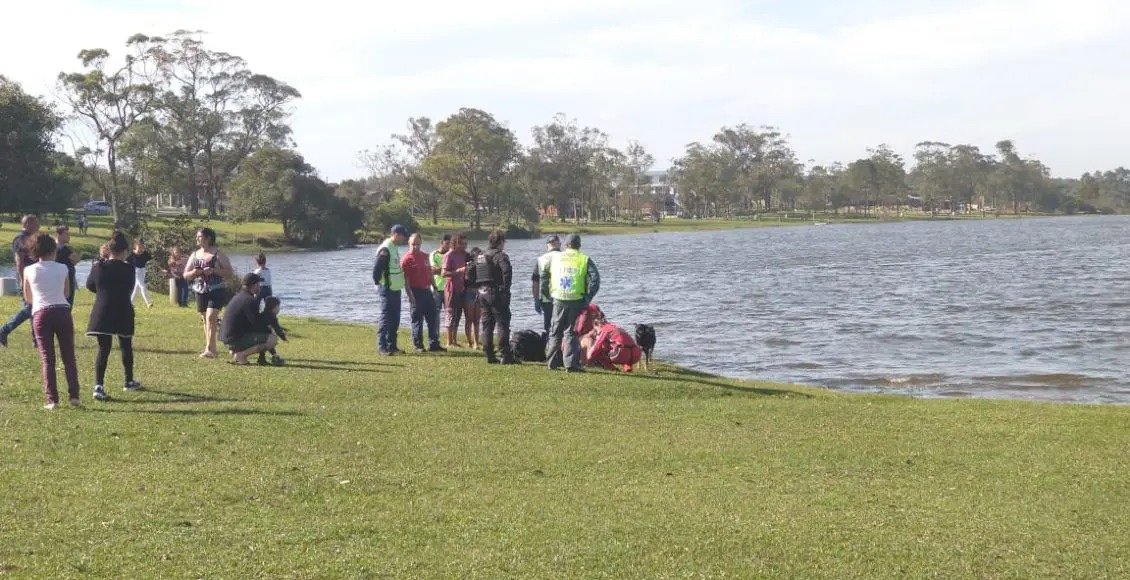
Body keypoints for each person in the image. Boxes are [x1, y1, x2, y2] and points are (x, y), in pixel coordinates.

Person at [23, 233, 81, 409]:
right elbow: (66, 293)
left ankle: (52, 399)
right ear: (53, 250)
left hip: (41, 313)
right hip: (62, 311)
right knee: (68, 356)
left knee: (48, 358)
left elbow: (28, 297)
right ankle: (74, 396)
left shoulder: (28, 270)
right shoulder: (62, 268)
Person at [86, 232, 141, 400]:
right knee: (126, 345)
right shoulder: (129, 269)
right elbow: (130, 287)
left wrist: (102, 291)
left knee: (104, 348)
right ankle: (128, 380)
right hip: (123, 309)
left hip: (102, 310)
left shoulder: (98, 267)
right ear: (124, 251)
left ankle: (98, 385)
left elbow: (89, 285)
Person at [542, 234, 601, 372]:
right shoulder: (584, 259)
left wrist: (547, 294)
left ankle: (551, 362)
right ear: (579, 245)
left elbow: (544, 276)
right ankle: (570, 364)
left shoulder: (555, 257)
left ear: (566, 245)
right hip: (576, 299)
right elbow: (595, 280)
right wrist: (588, 297)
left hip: (558, 298)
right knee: (570, 332)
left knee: (555, 331)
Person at [468, 229, 516, 364]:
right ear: (500, 242)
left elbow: (470, 272)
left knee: (487, 324)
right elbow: (506, 271)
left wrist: (476, 286)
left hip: (482, 293)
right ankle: (505, 355)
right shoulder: (501, 256)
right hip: (496, 293)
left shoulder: (480, 255)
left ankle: (489, 354)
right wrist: (505, 290)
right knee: (502, 323)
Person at [184, 227, 233, 358]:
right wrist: (194, 272)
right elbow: (185, 275)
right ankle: (211, 348)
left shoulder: (218, 254)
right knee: (205, 319)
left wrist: (213, 271)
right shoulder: (194, 255)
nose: (197, 239)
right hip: (200, 290)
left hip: (217, 289)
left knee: (211, 317)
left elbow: (229, 272)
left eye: (199, 237)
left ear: (208, 238)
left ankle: (209, 349)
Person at [400, 233, 445, 353]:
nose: (416, 247)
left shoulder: (425, 256)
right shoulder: (406, 259)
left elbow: (429, 273)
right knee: (417, 320)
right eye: (413, 244)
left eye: (418, 244)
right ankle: (418, 345)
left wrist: (434, 286)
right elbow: (406, 281)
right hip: (415, 291)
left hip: (427, 291)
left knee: (432, 318)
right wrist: (410, 296)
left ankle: (434, 344)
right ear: (409, 244)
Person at [219, 272, 278, 365]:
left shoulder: (238, 296)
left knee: (265, 332)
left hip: (227, 339)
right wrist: (270, 319)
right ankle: (241, 355)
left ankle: (236, 351)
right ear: (254, 285)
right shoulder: (249, 300)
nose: (260, 287)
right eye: (258, 284)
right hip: (234, 340)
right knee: (272, 339)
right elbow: (255, 324)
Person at [0, 215, 40, 349]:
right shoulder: (20, 239)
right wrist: (23, 280)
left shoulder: (33, 238)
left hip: (35, 277)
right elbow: (19, 261)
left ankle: (36, 339)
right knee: (30, 307)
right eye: (36, 223)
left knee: (35, 308)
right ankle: (4, 330)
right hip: (26, 277)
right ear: (28, 224)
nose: (38, 225)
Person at [372, 224, 408, 355]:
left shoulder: (394, 247)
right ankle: (382, 347)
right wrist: (376, 283)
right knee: (386, 318)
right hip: (387, 288)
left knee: (395, 319)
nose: (404, 239)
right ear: (396, 234)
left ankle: (392, 345)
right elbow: (377, 269)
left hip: (395, 289)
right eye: (403, 236)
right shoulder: (386, 248)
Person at [441, 232, 470, 348]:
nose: (464, 246)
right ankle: (449, 341)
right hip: (451, 288)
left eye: (465, 243)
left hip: (461, 288)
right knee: (450, 313)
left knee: (458, 314)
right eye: (461, 243)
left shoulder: (464, 255)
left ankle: (454, 339)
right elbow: (444, 273)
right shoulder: (449, 255)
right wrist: (459, 271)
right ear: (455, 243)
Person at [532, 234, 561, 334]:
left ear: (547, 246)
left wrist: (536, 300)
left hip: (546, 298)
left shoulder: (540, 259)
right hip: (564, 297)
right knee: (564, 326)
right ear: (559, 244)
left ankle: (550, 346)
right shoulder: (566, 258)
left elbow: (535, 282)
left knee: (548, 326)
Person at [255, 296, 287, 366]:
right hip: (257, 338)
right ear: (274, 307)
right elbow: (277, 329)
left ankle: (268, 357)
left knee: (268, 336)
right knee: (271, 338)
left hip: (255, 335)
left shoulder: (263, 314)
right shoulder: (272, 316)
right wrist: (283, 337)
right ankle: (268, 357)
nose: (279, 309)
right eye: (279, 307)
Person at [54, 225, 79, 306]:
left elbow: (75, 261)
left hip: (70, 281)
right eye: (66, 234)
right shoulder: (52, 248)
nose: (69, 236)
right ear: (58, 235)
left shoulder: (67, 249)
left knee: (68, 306)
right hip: (57, 282)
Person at [464, 247, 483, 349]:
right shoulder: (469, 266)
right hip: (469, 292)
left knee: (477, 320)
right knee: (469, 319)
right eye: (479, 256)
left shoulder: (482, 266)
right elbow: (467, 279)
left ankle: (476, 342)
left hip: (478, 292)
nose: (481, 257)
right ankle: (470, 343)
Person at [430, 234, 451, 327]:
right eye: (447, 243)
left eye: (450, 244)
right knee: (435, 314)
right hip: (437, 288)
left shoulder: (451, 254)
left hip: (449, 289)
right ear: (441, 243)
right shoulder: (434, 254)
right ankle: (436, 336)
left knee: (449, 314)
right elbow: (433, 270)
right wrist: (446, 270)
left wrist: (442, 269)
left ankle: (449, 339)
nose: (449, 246)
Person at [129, 239, 154, 308]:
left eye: (142, 247)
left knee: (137, 288)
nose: (140, 249)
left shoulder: (145, 253)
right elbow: (126, 262)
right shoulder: (132, 254)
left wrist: (161, 269)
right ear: (135, 247)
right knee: (142, 286)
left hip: (143, 270)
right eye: (139, 247)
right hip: (135, 271)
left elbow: (151, 261)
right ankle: (148, 302)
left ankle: (130, 302)